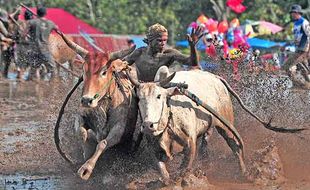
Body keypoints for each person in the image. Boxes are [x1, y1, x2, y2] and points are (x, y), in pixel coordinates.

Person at [124, 23, 202, 82]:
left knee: (163, 69)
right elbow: (121, 64)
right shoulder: (139, 53)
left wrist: (192, 46)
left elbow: (193, 63)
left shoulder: (170, 54)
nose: (163, 43)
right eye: (159, 40)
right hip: (141, 92)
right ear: (150, 40)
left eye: (165, 40)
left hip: (160, 94)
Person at [27, 5, 58, 80]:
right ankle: (52, 85)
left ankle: (35, 87)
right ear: (45, 13)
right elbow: (57, 29)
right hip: (45, 50)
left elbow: (23, 34)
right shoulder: (50, 23)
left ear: (37, 13)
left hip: (34, 50)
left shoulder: (31, 22)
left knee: (34, 70)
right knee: (53, 69)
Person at [283, 4, 310, 81]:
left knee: (286, 66)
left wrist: (309, 51)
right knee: (301, 67)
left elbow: (309, 35)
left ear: (299, 13)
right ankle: (306, 84)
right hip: (298, 49)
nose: (292, 14)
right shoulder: (295, 24)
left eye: (294, 12)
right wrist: (285, 45)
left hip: (304, 49)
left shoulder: (304, 22)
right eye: (292, 12)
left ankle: (296, 83)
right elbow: (296, 39)